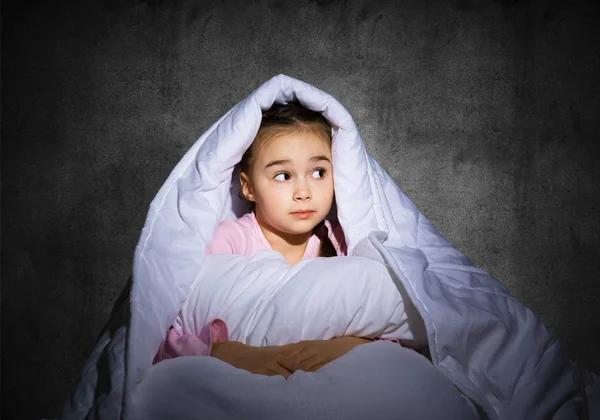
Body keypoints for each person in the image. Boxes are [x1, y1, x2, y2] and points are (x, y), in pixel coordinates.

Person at [153, 103, 401, 378]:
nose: (303, 192)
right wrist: (226, 353)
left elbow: (388, 317)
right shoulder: (227, 242)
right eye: (283, 176)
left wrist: (348, 346)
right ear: (248, 187)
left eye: (318, 172)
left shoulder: (344, 244)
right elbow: (165, 331)